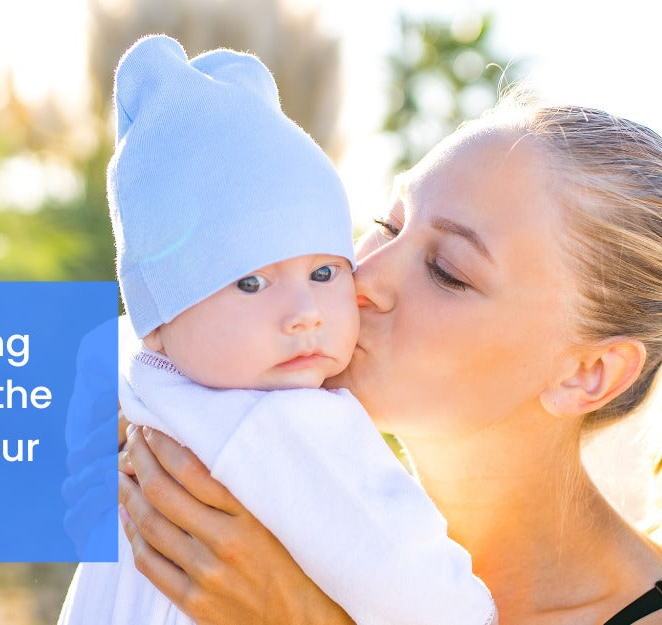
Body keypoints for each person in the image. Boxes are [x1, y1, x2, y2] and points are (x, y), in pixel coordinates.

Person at [116, 95, 662, 624]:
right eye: (389, 222)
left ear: (588, 373)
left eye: (447, 271)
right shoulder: (263, 527)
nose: (364, 275)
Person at [58, 35, 495, 625]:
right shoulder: (292, 424)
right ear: (159, 322)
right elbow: (417, 592)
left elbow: (110, 344)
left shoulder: (147, 387)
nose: (304, 313)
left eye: (322, 272)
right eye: (250, 284)